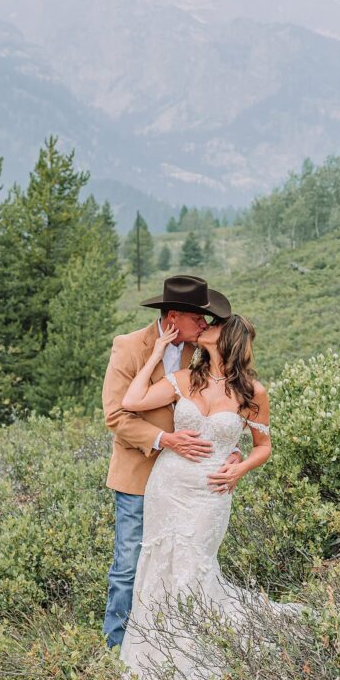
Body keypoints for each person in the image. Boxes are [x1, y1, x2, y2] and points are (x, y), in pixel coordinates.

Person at [118, 310, 294, 680]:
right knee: (160, 566)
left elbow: (263, 446)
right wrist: (158, 351)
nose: (205, 327)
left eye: (213, 325)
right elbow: (133, 401)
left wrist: (240, 467)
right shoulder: (185, 380)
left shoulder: (252, 392)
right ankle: (158, 663)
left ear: (229, 337)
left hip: (211, 493)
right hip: (167, 486)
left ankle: (199, 664)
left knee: (195, 566)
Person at [101, 274, 241, 650]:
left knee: (177, 562)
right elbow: (116, 415)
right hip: (139, 473)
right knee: (130, 562)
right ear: (176, 316)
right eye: (201, 318)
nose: (206, 326)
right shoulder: (129, 347)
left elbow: (220, 400)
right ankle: (117, 646)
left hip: (186, 482)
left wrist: (228, 447)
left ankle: (172, 642)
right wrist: (166, 440)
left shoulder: (199, 351)